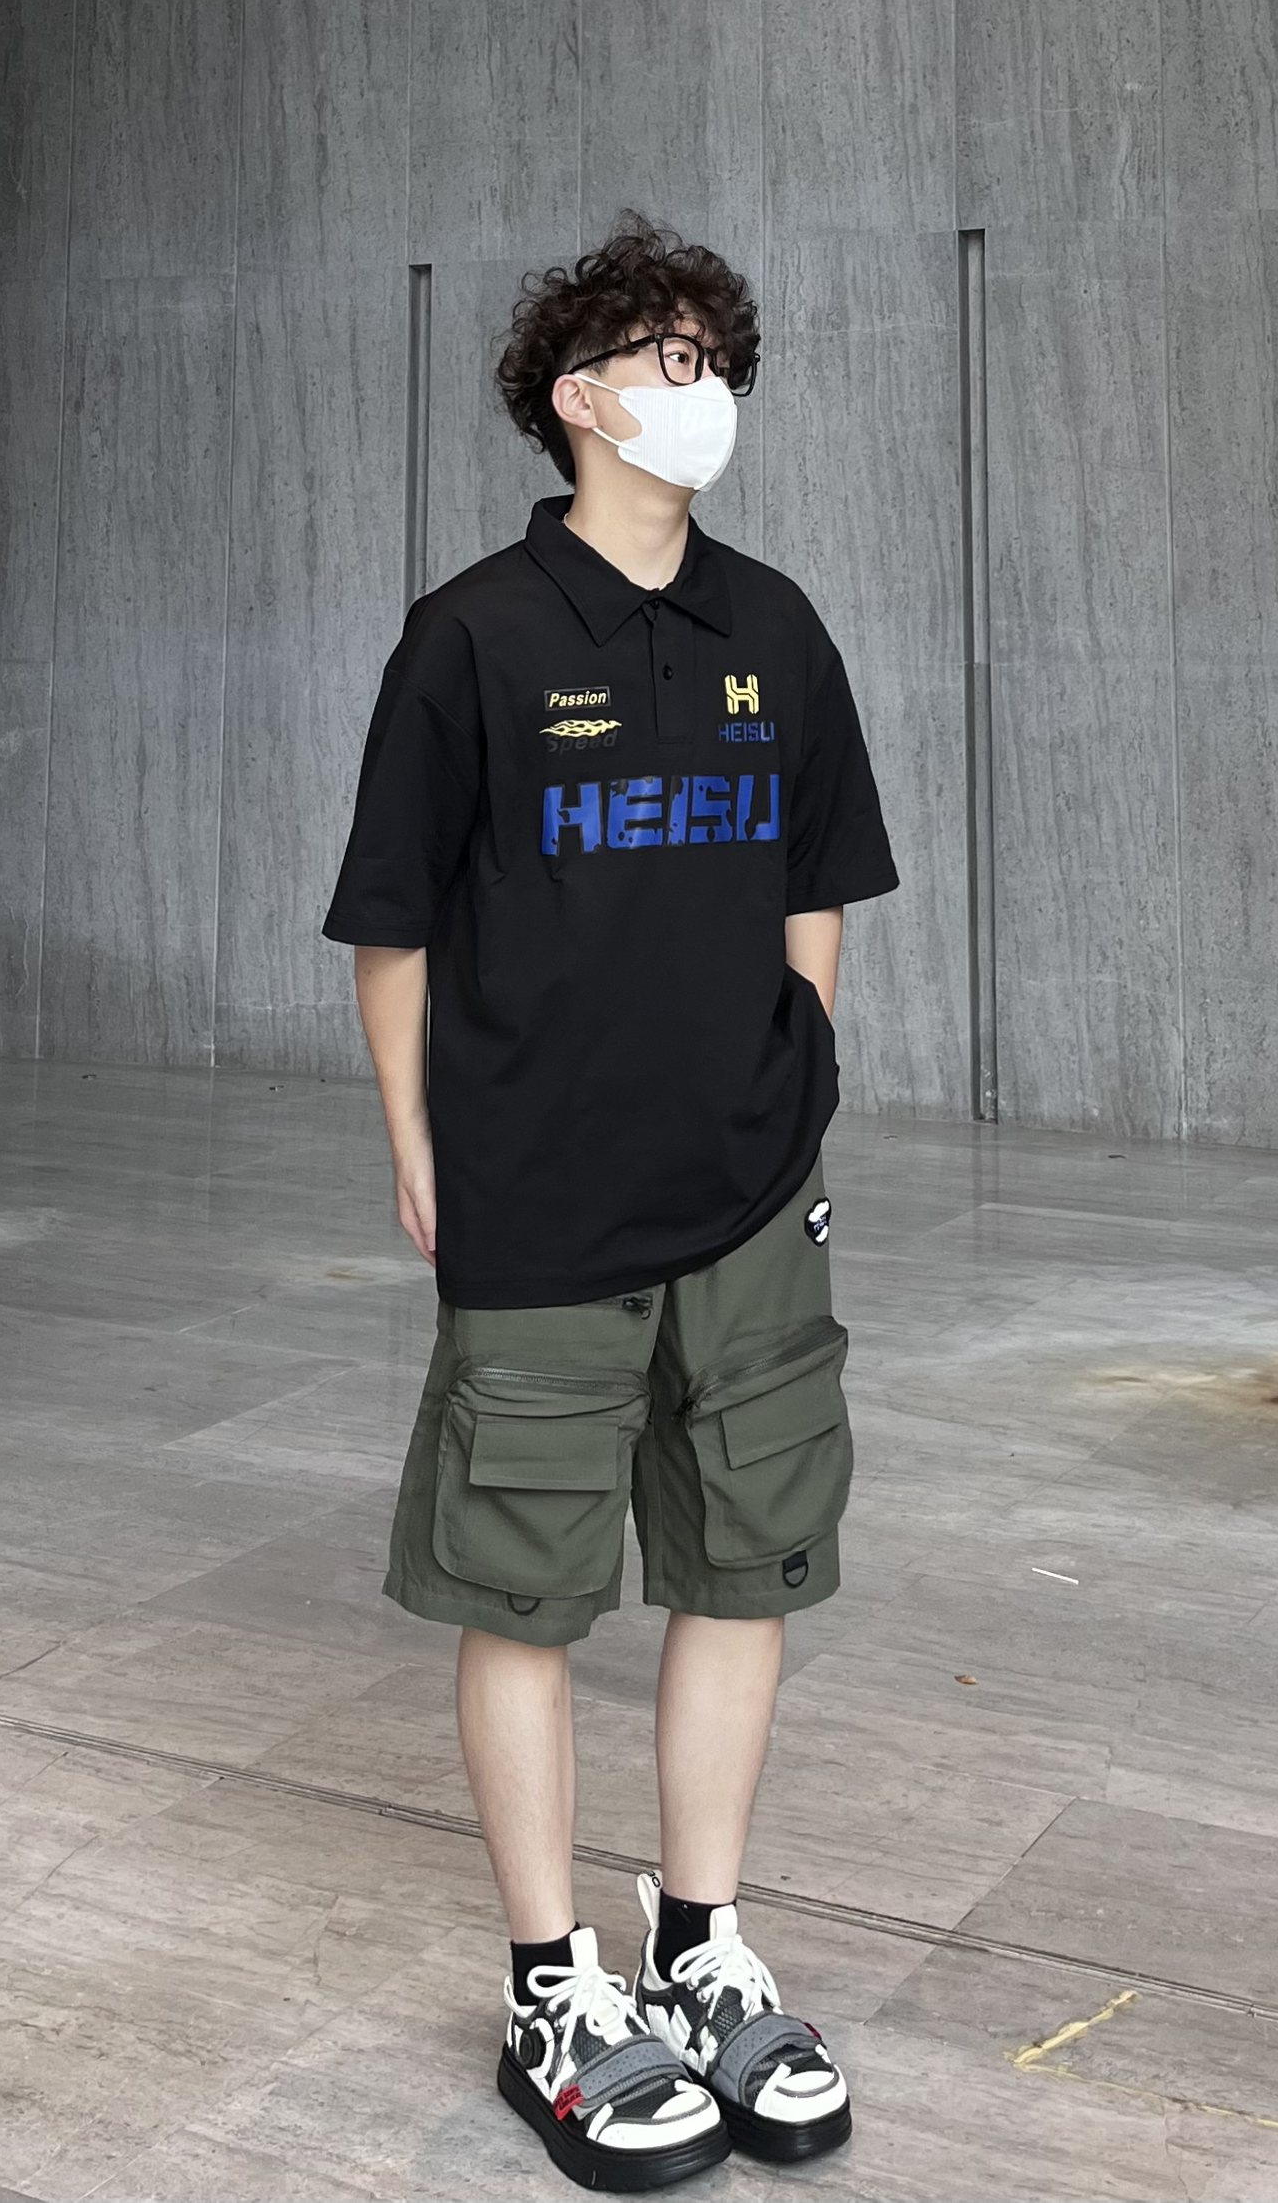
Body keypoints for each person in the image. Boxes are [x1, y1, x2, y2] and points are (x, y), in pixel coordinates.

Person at [324, 212, 898, 2190]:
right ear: (575, 396)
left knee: (746, 1566)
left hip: (747, 1197)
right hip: (539, 1198)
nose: (701, 387)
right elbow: (392, 922)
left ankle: (701, 1946)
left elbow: (818, 882)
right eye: (666, 356)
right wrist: (418, 1144)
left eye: (716, 356)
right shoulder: (472, 637)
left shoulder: (776, 628)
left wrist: (795, 1080)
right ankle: (552, 1991)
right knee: (527, 1589)